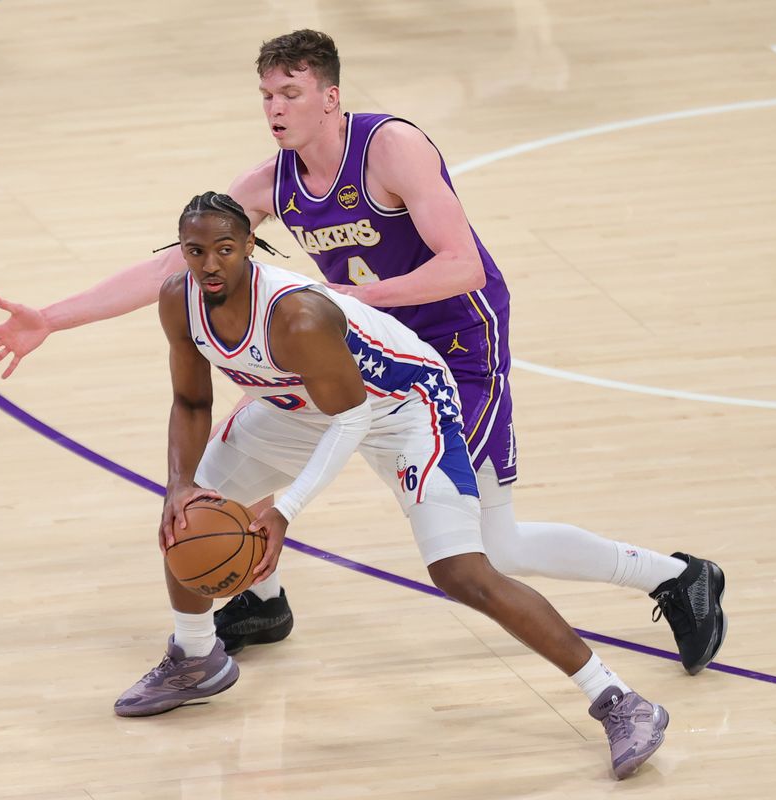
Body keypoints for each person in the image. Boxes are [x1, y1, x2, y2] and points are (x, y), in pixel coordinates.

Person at [0, 30, 726, 675]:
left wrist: (365, 299)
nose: (274, 109)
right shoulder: (269, 181)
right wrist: (52, 319)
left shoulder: (391, 147)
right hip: (363, 349)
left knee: (498, 546)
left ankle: (678, 576)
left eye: (290, 93)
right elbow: (173, 265)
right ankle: (259, 601)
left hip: (455, 348)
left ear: (329, 96)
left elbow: (465, 266)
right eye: (265, 95)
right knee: (219, 471)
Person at [123, 192, 668, 781]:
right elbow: (191, 399)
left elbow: (352, 418)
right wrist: (178, 485)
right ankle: (196, 654)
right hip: (296, 408)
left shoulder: (296, 315)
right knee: (188, 517)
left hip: (401, 409)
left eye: (224, 250)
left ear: (250, 247)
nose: (209, 264)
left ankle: (620, 700)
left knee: (461, 572)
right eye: (195, 251)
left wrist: (285, 510)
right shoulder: (179, 301)